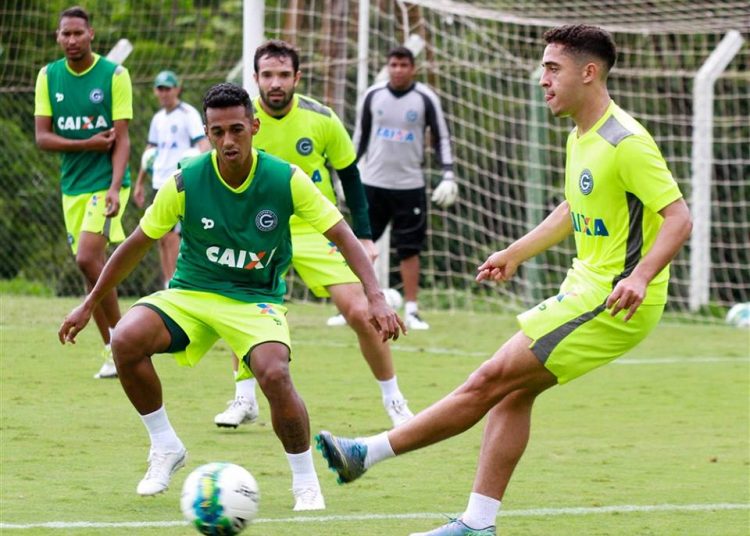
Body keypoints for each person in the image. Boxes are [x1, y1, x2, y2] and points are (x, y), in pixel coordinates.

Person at [316, 24, 693, 535]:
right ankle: (478, 523)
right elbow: (571, 207)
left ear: (589, 72)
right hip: (583, 286)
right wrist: (515, 252)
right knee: (514, 393)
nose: (543, 79)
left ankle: (369, 452)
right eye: (542, 67)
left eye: (552, 68)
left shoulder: (625, 141)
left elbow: (679, 218)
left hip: (611, 300)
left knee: (489, 380)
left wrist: (642, 276)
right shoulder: (580, 134)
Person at [58, 82, 404, 511]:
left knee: (274, 373)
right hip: (192, 293)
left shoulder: (285, 179)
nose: (228, 141)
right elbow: (135, 243)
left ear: (254, 127)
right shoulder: (185, 182)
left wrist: (376, 296)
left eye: (236, 129)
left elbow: (343, 235)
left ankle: (304, 482)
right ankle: (166, 446)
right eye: (217, 132)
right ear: (206, 133)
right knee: (124, 339)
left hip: (254, 300)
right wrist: (89, 303)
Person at [213, 40, 414, 430]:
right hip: (259, 231)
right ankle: (243, 398)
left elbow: (350, 176)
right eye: (267, 75)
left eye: (283, 75)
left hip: (315, 227)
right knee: (240, 308)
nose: (275, 83)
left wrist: (366, 236)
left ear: (297, 78)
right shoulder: (241, 121)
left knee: (360, 311)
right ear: (255, 78)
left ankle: (395, 401)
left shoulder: (321, 118)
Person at [35, 6, 133, 379]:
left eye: (78, 33)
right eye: (65, 34)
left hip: (106, 183)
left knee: (87, 258)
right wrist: (88, 143)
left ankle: (125, 340)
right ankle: (114, 349)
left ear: (91, 34)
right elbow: (43, 138)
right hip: (71, 188)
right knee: (91, 270)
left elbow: (122, 140)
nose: (72, 40)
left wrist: (114, 187)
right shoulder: (49, 76)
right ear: (58, 37)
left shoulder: (115, 75)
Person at [353, 45, 458, 331]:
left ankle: (411, 310)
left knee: (409, 250)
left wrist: (448, 174)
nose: (398, 70)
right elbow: (360, 137)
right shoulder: (373, 95)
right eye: (393, 65)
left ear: (413, 68)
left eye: (403, 65)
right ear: (388, 67)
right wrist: (348, 175)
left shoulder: (425, 98)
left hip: (409, 185)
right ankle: (352, 304)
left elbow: (441, 137)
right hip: (372, 183)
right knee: (361, 246)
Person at [132, 70, 210, 288]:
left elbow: (203, 144)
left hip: (180, 182)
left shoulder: (188, 114)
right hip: (158, 182)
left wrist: (205, 174)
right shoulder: (158, 119)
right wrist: (140, 182)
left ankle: (177, 282)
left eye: (168, 88)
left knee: (174, 234)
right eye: (160, 88)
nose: (164, 93)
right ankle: (168, 282)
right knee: (161, 234)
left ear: (177, 88)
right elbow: (150, 152)